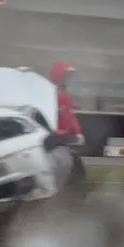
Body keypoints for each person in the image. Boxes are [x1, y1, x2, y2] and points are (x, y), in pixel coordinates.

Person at [47, 61, 87, 192]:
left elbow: (70, 116)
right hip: (54, 141)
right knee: (60, 169)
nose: (68, 79)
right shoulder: (49, 94)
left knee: (75, 170)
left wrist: (77, 132)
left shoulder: (65, 95)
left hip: (65, 141)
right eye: (66, 76)